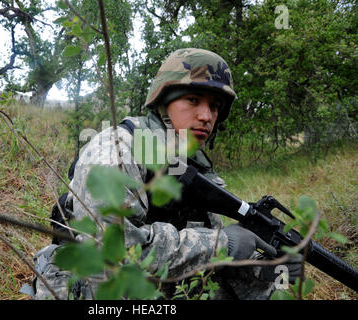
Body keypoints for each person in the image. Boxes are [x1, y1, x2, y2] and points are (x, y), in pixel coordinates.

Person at [30, 48, 302, 300]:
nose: (206, 116)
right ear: (163, 104)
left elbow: (204, 260)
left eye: (215, 106)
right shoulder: (117, 151)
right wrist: (223, 243)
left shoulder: (197, 168)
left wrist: (260, 269)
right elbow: (113, 249)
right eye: (193, 100)